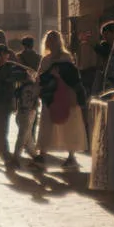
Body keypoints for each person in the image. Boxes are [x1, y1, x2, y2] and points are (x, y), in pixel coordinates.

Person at [36, 31, 87, 169]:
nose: (51, 43)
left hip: (66, 96)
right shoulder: (46, 59)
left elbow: (72, 77)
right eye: (49, 40)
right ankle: (42, 153)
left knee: (69, 125)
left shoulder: (65, 58)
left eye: (53, 40)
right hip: (51, 97)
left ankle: (71, 156)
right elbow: (40, 77)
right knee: (47, 123)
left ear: (58, 42)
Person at [13, 36, 42, 164]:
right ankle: (31, 147)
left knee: (22, 119)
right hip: (35, 89)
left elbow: (16, 74)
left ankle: (21, 151)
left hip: (23, 89)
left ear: (23, 45)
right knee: (32, 118)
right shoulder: (38, 58)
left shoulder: (19, 57)